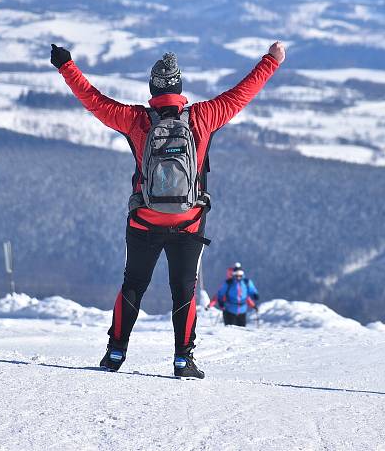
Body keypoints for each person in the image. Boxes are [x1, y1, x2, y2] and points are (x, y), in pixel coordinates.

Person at [50, 41, 285, 378]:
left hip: (144, 219)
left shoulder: (134, 119)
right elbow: (242, 93)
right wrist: (271, 60)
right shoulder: (203, 117)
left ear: (152, 90)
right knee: (183, 288)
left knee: (134, 284)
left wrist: (66, 66)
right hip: (189, 221)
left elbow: (94, 100)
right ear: (179, 87)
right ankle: (182, 359)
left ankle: (115, 353)